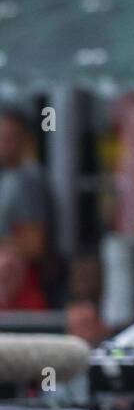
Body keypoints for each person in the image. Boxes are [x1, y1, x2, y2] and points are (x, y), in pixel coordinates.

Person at [0, 109, 55, 305]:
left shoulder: (28, 180)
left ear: (26, 140)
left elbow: (35, 244)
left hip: (24, 290)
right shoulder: (8, 177)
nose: (3, 144)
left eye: (9, 138)